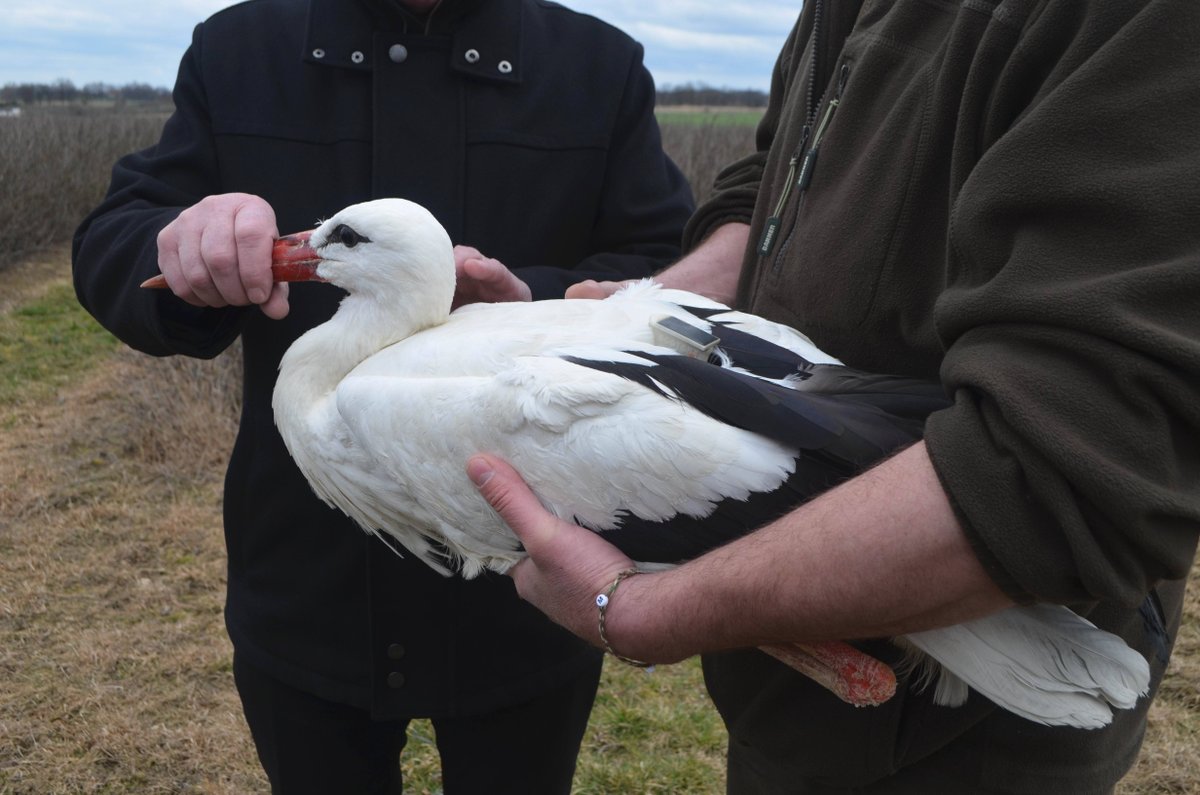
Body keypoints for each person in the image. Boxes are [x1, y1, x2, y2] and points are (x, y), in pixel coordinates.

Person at [468, 2, 1200, 792]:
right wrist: (633, 315)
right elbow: (773, 193)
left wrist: (642, 609)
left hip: (966, 712)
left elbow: (1066, 460)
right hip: (796, 682)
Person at [72, 0, 693, 792]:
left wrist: (529, 304)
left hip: (527, 594)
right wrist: (181, 248)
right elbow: (113, 238)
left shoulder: (596, 65)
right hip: (304, 583)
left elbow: (661, 268)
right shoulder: (238, 50)